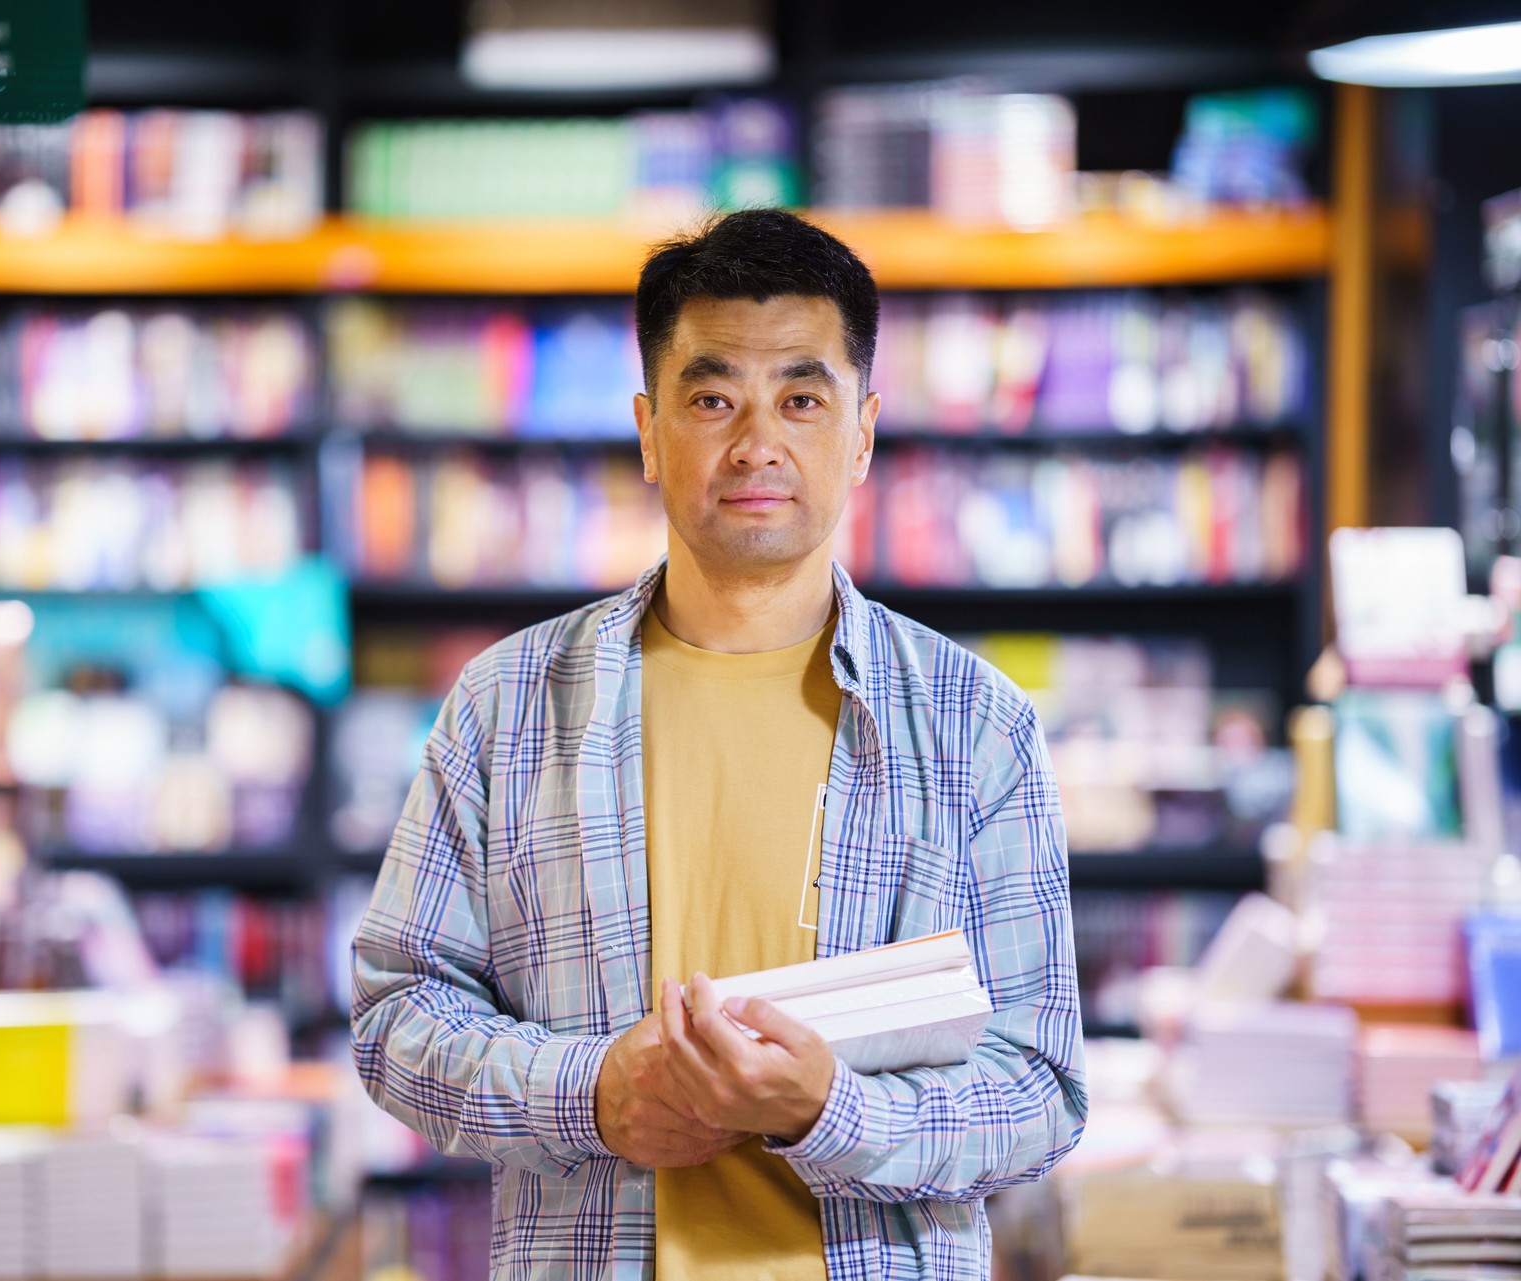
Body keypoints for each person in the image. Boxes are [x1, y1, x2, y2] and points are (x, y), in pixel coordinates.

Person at [351, 208, 1086, 1281]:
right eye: (711, 399)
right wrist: (595, 1093)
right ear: (650, 432)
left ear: (864, 431)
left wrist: (829, 1111)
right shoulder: (505, 706)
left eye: (801, 397)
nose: (757, 443)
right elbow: (396, 1016)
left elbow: (1041, 1090)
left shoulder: (974, 723)